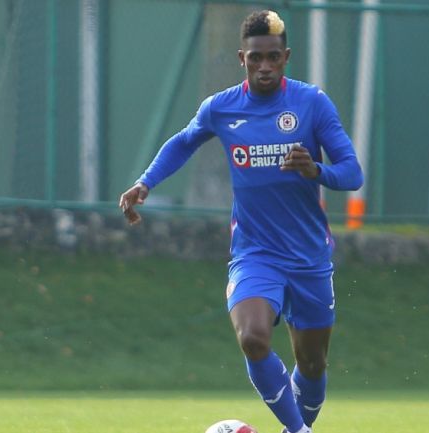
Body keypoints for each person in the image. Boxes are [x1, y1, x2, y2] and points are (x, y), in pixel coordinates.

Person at [119, 10, 363, 433]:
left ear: (286, 57)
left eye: (273, 57)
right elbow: (183, 142)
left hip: (308, 256)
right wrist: (146, 182)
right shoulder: (222, 108)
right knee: (252, 338)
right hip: (256, 253)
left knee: (312, 362)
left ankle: (296, 426)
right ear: (241, 58)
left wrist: (316, 172)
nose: (264, 66)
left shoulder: (311, 103)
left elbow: (353, 172)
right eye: (255, 58)